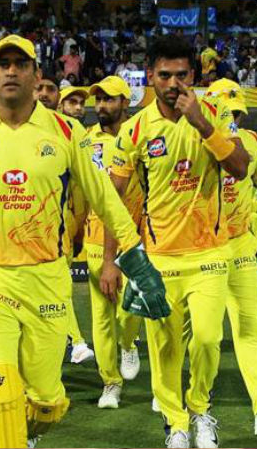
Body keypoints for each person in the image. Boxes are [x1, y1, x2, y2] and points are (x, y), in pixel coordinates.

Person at [0, 34, 167, 448]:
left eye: (21, 64)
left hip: (48, 280)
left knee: (47, 402)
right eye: (3, 64)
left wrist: (135, 258)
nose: (11, 71)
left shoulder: (66, 131)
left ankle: (25, 435)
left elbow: (104, 197)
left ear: (36, 74)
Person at [104, 36, 249, 448]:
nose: (172, 83)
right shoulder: (135, 129)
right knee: (165, 348)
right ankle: (175, 422)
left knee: (207, 339)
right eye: (164, 75)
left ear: (194, 75)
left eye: (181, 75)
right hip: (159, 259)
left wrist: (201, 123)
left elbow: (240, 168)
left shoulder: (216, 113)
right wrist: (111, 260)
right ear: (150, 76)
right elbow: (114, 199)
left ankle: (200, 409)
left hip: (210, 252)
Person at [204, 78, 257, 436]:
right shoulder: (190, 142)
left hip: (239, 249)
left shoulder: (251, 143)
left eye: (236, 114)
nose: (232, 121)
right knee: (198, 336)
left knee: (249, 328)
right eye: (226, 113)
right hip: (197, 252)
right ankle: (186, 404)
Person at [82, 76, 143, 409]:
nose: (102, 105)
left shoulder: (140, 134)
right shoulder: (86, 140)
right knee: (102, 318)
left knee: (130, 310)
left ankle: (129, 344)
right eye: (99, 99)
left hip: (134, 241)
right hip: (94, 239)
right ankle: (110, 382)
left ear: (125, 102)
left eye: (109, 99)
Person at [35, 78, 94, 364]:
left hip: (68, 223)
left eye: (81, 103)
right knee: (56, 285)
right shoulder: (40, 133)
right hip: (43, 223)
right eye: (72, 102)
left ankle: (61, 341)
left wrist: (80, 227)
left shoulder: (78, 135)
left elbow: (85, 189)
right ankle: (76, 341)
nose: (79, 107)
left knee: (55, 286)